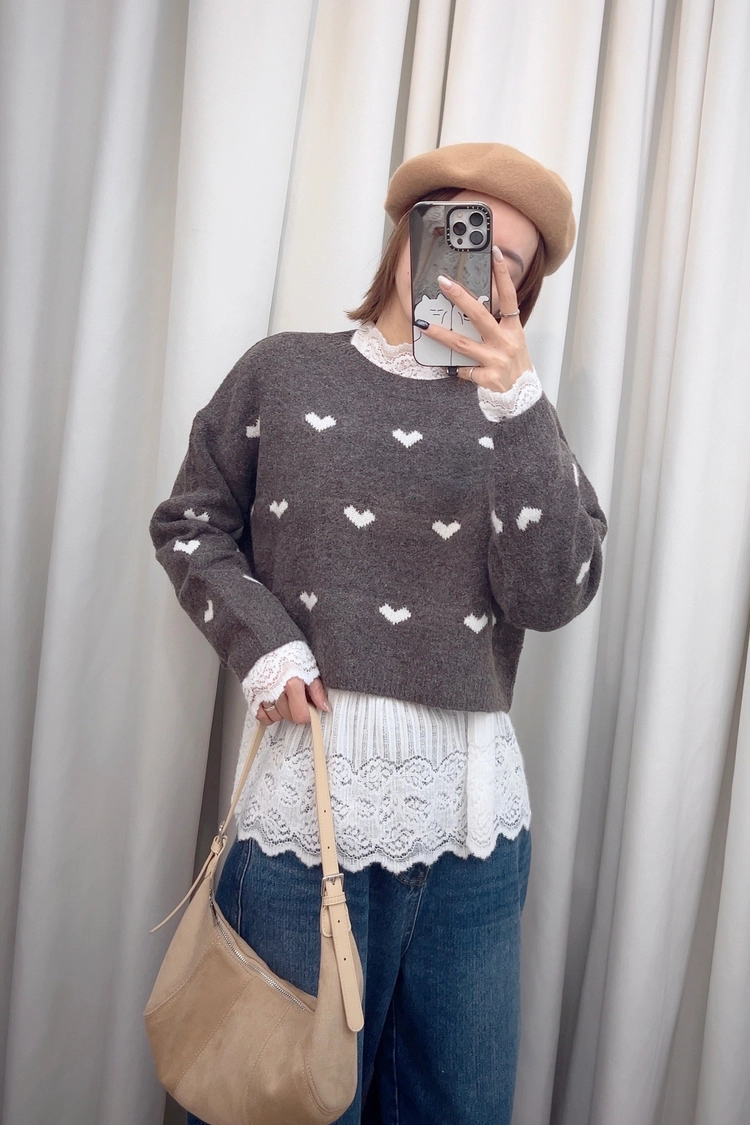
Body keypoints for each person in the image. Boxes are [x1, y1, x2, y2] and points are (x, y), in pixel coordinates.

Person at [150, 142, 607, 1125]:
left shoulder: (520, 418)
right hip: (302, 811)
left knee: (456, 1108)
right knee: (279, 1106)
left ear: (522, 291)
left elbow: (554, 593)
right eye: (459, 230)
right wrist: (265, 643)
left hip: (473, 826)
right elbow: (190, 524)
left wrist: (518, 403)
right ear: (408, 234)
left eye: (507, 258)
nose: (475, 264)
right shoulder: (283, 373)